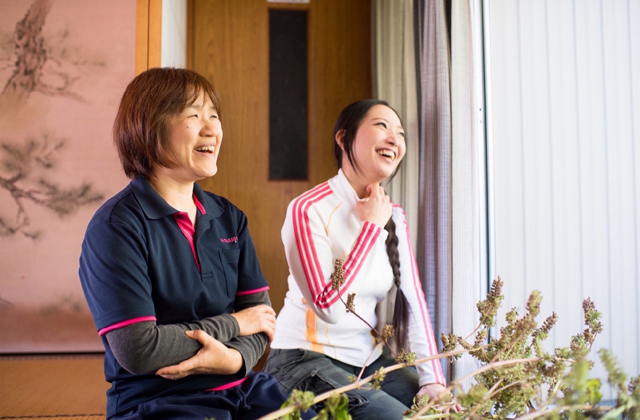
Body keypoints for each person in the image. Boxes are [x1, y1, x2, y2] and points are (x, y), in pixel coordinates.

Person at [79, 68, 310, 420]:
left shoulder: (229, 217)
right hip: (157, 401)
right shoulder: (115, 227)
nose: (212, 128)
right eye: (194, 115)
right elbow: (139, 348)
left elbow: (261, 319)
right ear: (150, 127)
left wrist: (230, 360)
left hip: (241, 388)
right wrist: (233, 325)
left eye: (214, 116)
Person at [264, 99, 461, 419]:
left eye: (400, 132)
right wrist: (370, 229)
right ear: (343, 139)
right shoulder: (308, 209)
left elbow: (414, 302)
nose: (394, 139)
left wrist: (432, 380)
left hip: (371, 360)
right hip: (303, 359)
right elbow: (329, 308)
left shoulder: (394, 215)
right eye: (381, 125)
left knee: (444, 413)